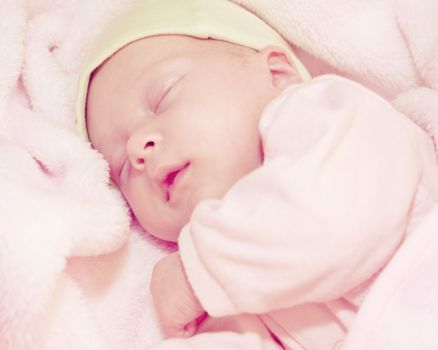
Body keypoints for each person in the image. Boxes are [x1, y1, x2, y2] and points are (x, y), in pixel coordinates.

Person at [76, 0, 438, 349]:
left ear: (276, 73)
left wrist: (195, 272)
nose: (139, 148)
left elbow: (332, 219)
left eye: (163, 96)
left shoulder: (332, 114)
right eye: (122, 167)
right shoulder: (233, 288)